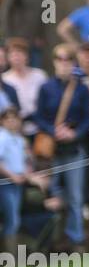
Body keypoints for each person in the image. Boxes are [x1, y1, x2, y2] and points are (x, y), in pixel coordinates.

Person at [32, 45, 89, 250]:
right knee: (52, 194)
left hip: (74, 149)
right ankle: (52, 240)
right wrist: (52, 130)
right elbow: (38, 116)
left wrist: (74, 133)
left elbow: (87, 119)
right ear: (54, 61)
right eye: (60, 59)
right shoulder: (46, 87)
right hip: (51, 151)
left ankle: (76, 240)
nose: (64, 63)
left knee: (75, 197)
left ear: (73, 62)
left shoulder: (81, 89)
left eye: (68, 59)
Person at [0, 105, 47, 255]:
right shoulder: (2, 137)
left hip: (17, 185)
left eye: (15, 118)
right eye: (8, 119)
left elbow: (24, 165)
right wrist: (12, 176)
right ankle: (10, 259)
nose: (12, 122)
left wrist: (31, 176)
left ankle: (11, 257)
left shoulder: (19, 139)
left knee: (14, 219)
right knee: (12, 220)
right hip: (6, 185)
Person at [1, 0, 53, 71]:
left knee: (34, 73)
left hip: (34, 44)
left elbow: (50, 18)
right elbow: (5, 12)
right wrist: (8, 38)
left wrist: (43, 37)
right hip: (15, 43)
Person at [3, 38, 48, 136]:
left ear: (27, 56)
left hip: (40, 128)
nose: (16, 57)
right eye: (12, 54)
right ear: (8, 58)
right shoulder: (4, 79)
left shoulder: (40, 75)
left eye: (19, 53)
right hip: (15, 130)